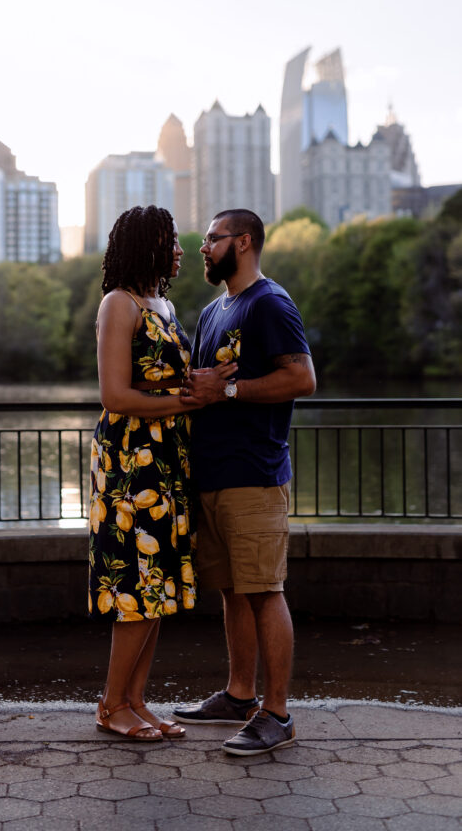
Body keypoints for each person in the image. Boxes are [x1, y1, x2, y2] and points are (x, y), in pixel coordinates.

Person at [172, 208, 316, 756]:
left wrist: (228, 392)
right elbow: (205, 385)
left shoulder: (269, 303)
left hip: (254, 475)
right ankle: (238, 696)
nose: (204, 247)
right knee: (234, 591)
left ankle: (277, 714)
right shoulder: (214, 311)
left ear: (245, 241)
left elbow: (302, 377)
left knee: (263, 590)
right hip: (213, 475)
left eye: (213, 238)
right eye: (205, 240)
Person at [89, 205, 234, 741]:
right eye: (169, 240)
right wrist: (191, 400)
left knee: (157, 588)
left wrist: (210, 381)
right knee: (135, 586)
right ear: (145, 245)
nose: (179, 248)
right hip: (130, 464)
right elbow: (115, 395)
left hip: (168, 459)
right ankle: (110, 706)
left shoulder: (165, 306)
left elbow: (171, 382)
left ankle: (135, 700)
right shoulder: (118, 304)